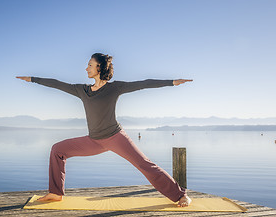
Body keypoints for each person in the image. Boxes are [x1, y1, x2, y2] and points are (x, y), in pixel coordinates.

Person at [16, 53, 193, 207]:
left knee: (145, 165)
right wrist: (33, 79)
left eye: (90, 65)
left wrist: (172, 82)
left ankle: (180, 195)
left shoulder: (114, 88)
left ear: (99, 67)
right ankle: (55, 193)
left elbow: (143, 83)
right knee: (57, 149)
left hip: (116, 137)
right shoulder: (82, 90)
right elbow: (57, 84)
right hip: (93, 140)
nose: (86, 69)